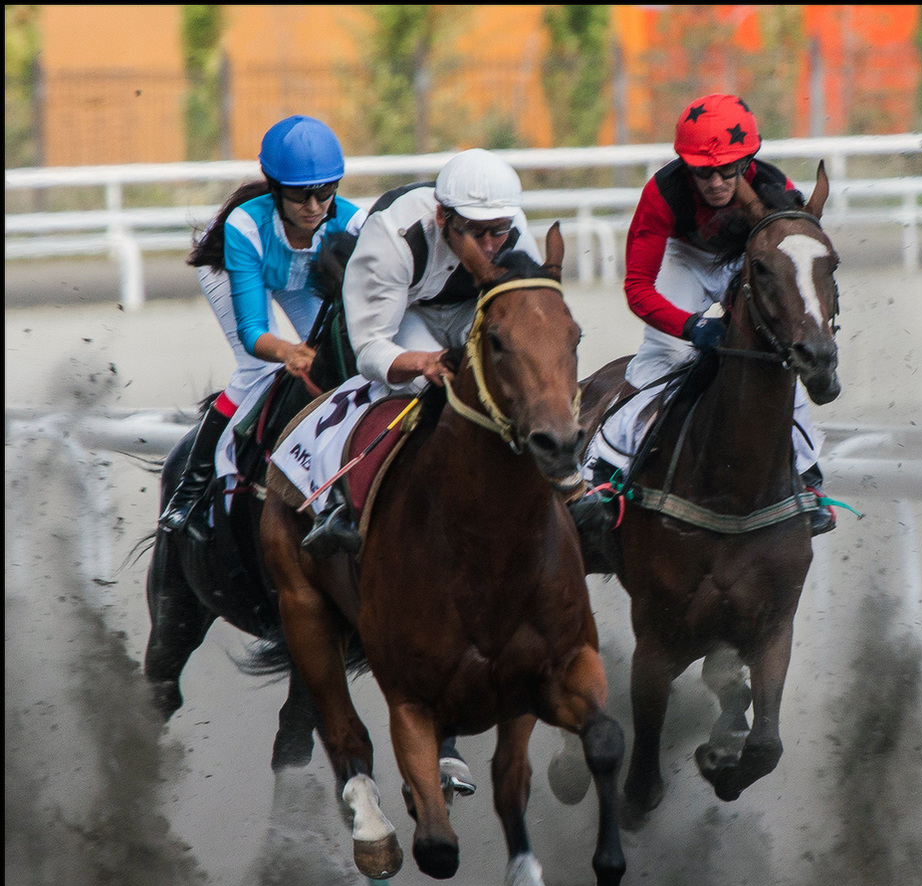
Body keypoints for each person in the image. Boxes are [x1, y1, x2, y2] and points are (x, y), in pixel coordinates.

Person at [588, 92, 835, 535]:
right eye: (704, 172)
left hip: (747, 260)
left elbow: (798, 265)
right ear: (687, 166)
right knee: (670, 356)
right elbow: (637, 288)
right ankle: (604, 472)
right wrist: (689, 326)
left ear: (747, 162)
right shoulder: (661, 195)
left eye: (729, 169)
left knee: (781, 357)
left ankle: (809, 479)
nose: (717, 182)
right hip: (682, 259)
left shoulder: (776, 191)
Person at [287, 147, 549, 557]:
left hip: (468, 310)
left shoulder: (513, 229)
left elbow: (530, 318)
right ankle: (341, 506)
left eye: (497, 230)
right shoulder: (394, 232)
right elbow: (372, 351)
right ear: (443, 216)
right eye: (475, 232)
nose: (489, 245)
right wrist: (423, 363)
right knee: (425, 394)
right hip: (403, 313)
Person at [158, 115, 365, 540]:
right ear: (274, 189)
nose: (313, 208)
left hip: (298, 276)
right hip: (234, 273)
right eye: (299, 196)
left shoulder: (352, 223)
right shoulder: (246, 226)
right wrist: (287, 351)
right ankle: (190, 490)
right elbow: (254, 334)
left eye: (324, 192)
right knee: (259, 370)